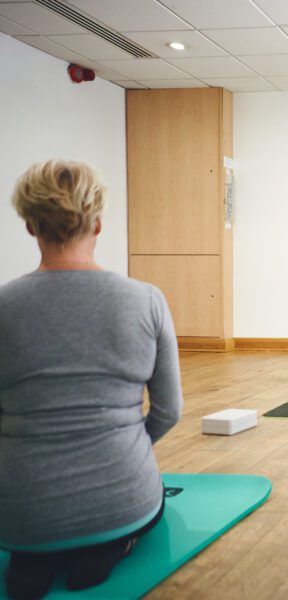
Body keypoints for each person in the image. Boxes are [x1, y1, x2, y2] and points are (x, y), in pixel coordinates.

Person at [0, 160, 182, 598]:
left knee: (32, 533)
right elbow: (169, 411)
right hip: (124, 501)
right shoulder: (146, 300)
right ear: (98, 223)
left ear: (30, 225)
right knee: (128, 514)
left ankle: (33, 556)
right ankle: (110, 544)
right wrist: (124, 448)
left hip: (20, 513)